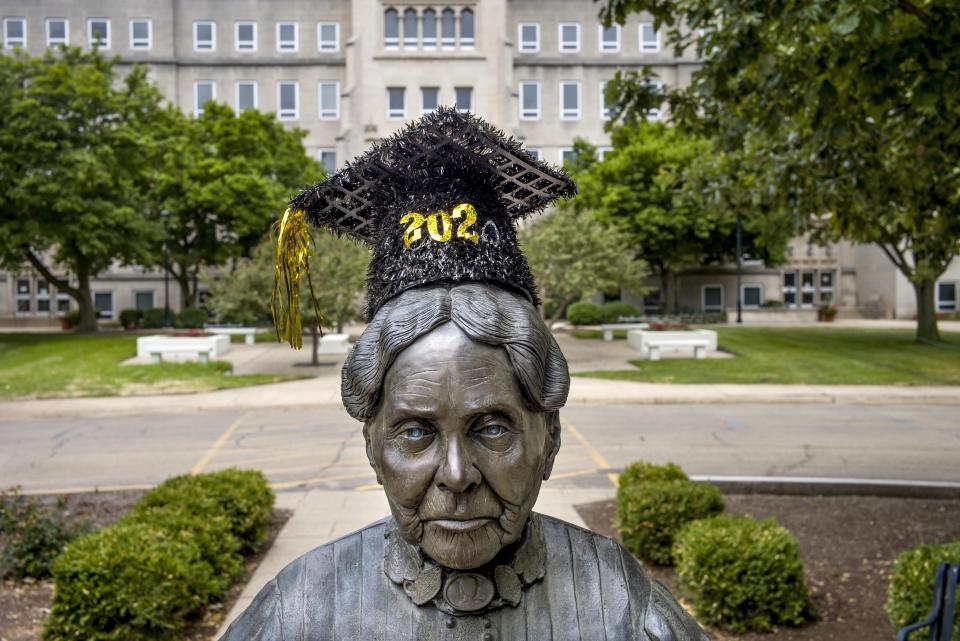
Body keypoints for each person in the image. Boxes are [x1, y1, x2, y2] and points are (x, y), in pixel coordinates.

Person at [220, 107, 708, 641]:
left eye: (493, 427)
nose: (457, 475)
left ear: (550, 440)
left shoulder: (623, 606)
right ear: (372, 446)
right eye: (415, 432)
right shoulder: (299, 612)